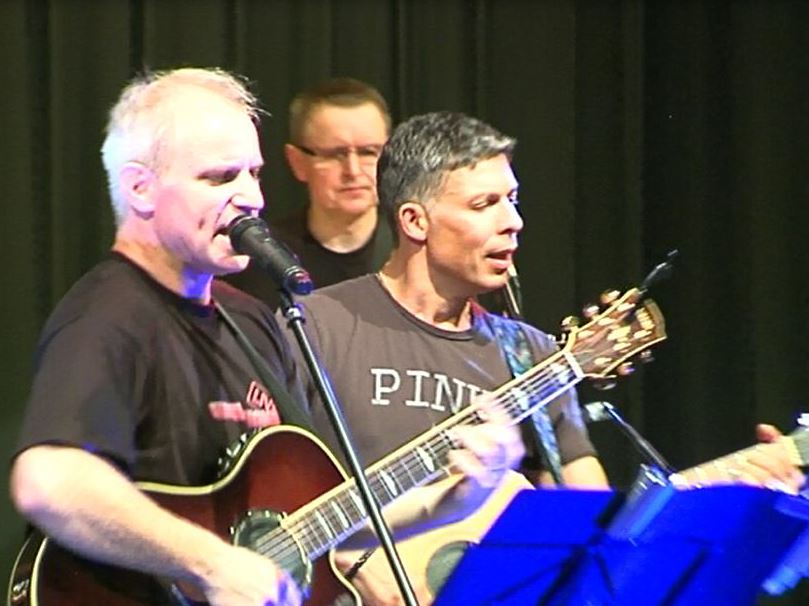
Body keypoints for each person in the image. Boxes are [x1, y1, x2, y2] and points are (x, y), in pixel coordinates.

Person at [8, 71, 525, 606]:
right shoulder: (110, 316)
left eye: (253, 174)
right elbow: (50, 481)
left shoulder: (252, 321)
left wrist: (454, 501)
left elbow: (313, 523)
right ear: (140, 188)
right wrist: (210, 563)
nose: (250, 198)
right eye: (220, 177)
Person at [282, 111, 805, 604]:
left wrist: (739, 488)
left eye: (513, 199)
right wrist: (344, 559)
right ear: (416, 221)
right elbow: (262, 501)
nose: (513, 222)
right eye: (485, 204)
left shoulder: (532, 356)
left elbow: (597, 531)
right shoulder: (316, 326)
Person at [230, 77, 393, 306]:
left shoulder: (417, 255)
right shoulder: (261, 261)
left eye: (369, 152)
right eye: (335, 154)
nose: (353, 171)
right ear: (297, 162)